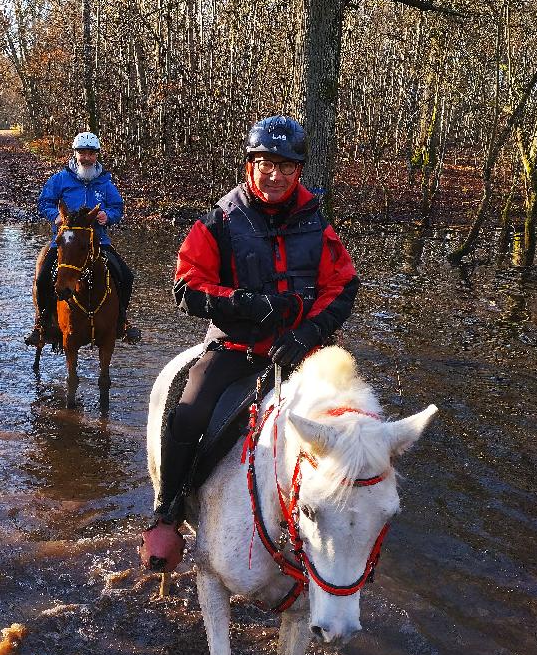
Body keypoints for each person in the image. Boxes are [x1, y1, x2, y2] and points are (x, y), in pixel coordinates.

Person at [141, 116, 359, 569]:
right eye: (265, 164)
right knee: (189, 411)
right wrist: (242, 303)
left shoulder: (317, 224)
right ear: (250, 165)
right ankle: (168, 512)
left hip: (303, 351)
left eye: (285, 166)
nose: (274, 175)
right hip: (235, 349)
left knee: (354, 424)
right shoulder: (220, 219)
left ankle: (350, 527)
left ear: (299, 171)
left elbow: (342, 286)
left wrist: (307, 333)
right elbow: (187, 285)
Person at [25, 131, 141, 347]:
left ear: (97, 155)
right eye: (82, 153)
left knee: (126, 275)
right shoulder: (60, 179)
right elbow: (44, 202)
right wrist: (56, 216)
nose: (87, 157)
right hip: (67, 241)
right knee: (42, 280)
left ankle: (122, 321)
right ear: (75, 153)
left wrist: (109, 216)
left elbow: (117, 207)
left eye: (91, 153)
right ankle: (41, 325)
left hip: (98, 241)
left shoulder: (105, 183)